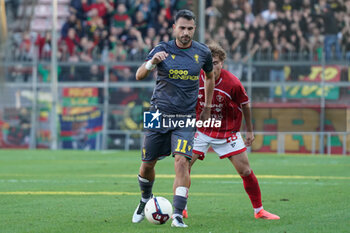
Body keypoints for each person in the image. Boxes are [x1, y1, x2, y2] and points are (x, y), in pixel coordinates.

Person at [131, 9, 215, 228]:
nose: (185, 32)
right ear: (174, 28)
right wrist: (151, 63)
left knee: (182, 162)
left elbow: (210, 76)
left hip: (186, 116)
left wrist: (206, 105)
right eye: (182, 28)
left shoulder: (203, 53)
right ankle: (144, 200)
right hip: (157, 113)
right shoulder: (162, 49)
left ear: (194, 29)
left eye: (189, 28)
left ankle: (177, 214)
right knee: (147, 164)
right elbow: (139, 75)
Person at [186, 42, 280, 220]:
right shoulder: (194, 79)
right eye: (208, 62)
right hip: (201, 130)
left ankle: (259, 210)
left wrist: (250, 131)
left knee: (245, 171)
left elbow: (245, 105)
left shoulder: (233, 83)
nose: (212, 66)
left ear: (222, 62)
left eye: (215, 62)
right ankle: (180, 208)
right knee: (184, 165)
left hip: (227, 131)